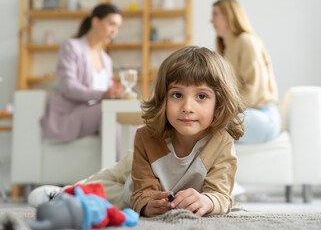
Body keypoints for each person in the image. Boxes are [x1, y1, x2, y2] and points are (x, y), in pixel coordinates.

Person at [29, 46, 246, 217]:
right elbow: (144, 193)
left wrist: (208, 201)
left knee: (119, 197)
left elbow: (219, 194)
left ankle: (71, 194)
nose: (187, 107)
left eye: (201, 96)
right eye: (177, 95)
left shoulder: (221, 143)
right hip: (141, 167)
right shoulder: (146, 136)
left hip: (164, 180)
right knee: (109, 180)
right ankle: (64, 192)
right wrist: (147, 203)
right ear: (163, 98)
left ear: (219, 104)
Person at [41, 3, 124, 142]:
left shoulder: (106, 59)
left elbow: (107, 89)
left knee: (131, 123)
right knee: (107, 113)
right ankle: (119, 164)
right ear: (95, 21)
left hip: (95, 112)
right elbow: (69, 87)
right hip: (70, 114)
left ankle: (133, 163)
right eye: (111, 24)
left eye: (118, 27)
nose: (115, 32)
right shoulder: (71, 47)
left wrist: (114, 93)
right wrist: (103, 94)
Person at [211, 0, 281, 143]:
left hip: (262, 116)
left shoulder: (246, 41)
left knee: (208, 121)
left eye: (215, 14)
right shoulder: (226, 48)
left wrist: (224, 110)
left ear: (229, 15)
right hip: (246, 114)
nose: (211, 21)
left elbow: (256, 91)